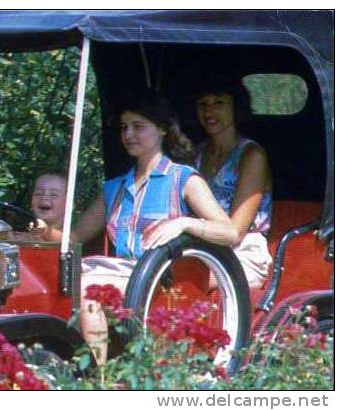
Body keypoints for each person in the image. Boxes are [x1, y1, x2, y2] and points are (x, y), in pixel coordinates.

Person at [38, 97, 238, 364]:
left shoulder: (184, 179)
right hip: (119, 273)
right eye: (123, 127)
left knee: (86, 291)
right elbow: (73, 239)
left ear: (163, 130)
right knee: (51, 282)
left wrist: (185, 223)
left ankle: (97, 380)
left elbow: (228, 232)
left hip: (162, 281)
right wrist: (41, 231)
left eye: (138, 126)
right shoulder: (115, 188)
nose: (128, 134)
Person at [194, 79, 273, 289]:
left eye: (218, 103)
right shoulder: (197, 154)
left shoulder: (251, 155)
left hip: (243, 252)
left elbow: (235, 232)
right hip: (200, 248)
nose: (209, 112)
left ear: (235, 108)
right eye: (203, 104)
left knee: (188, 280)